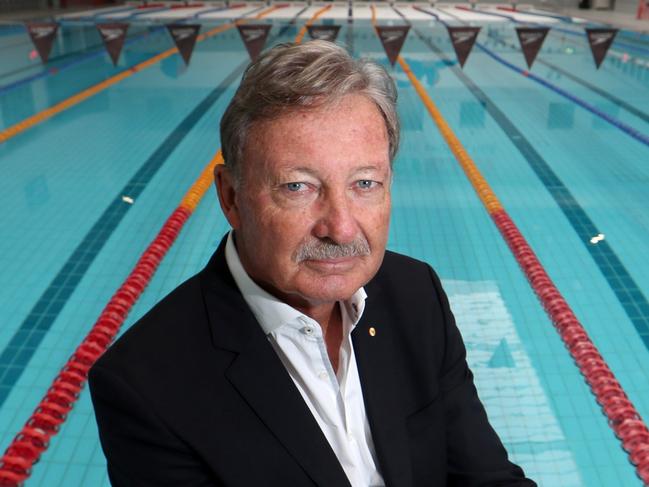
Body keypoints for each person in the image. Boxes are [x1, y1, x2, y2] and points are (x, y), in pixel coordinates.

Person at [89, 40, 536, 486]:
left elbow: (485, 477)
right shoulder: (146, 386)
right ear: (231, 197)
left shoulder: (415, 294)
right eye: (298, 187)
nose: (340, 228)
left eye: (365, 183)